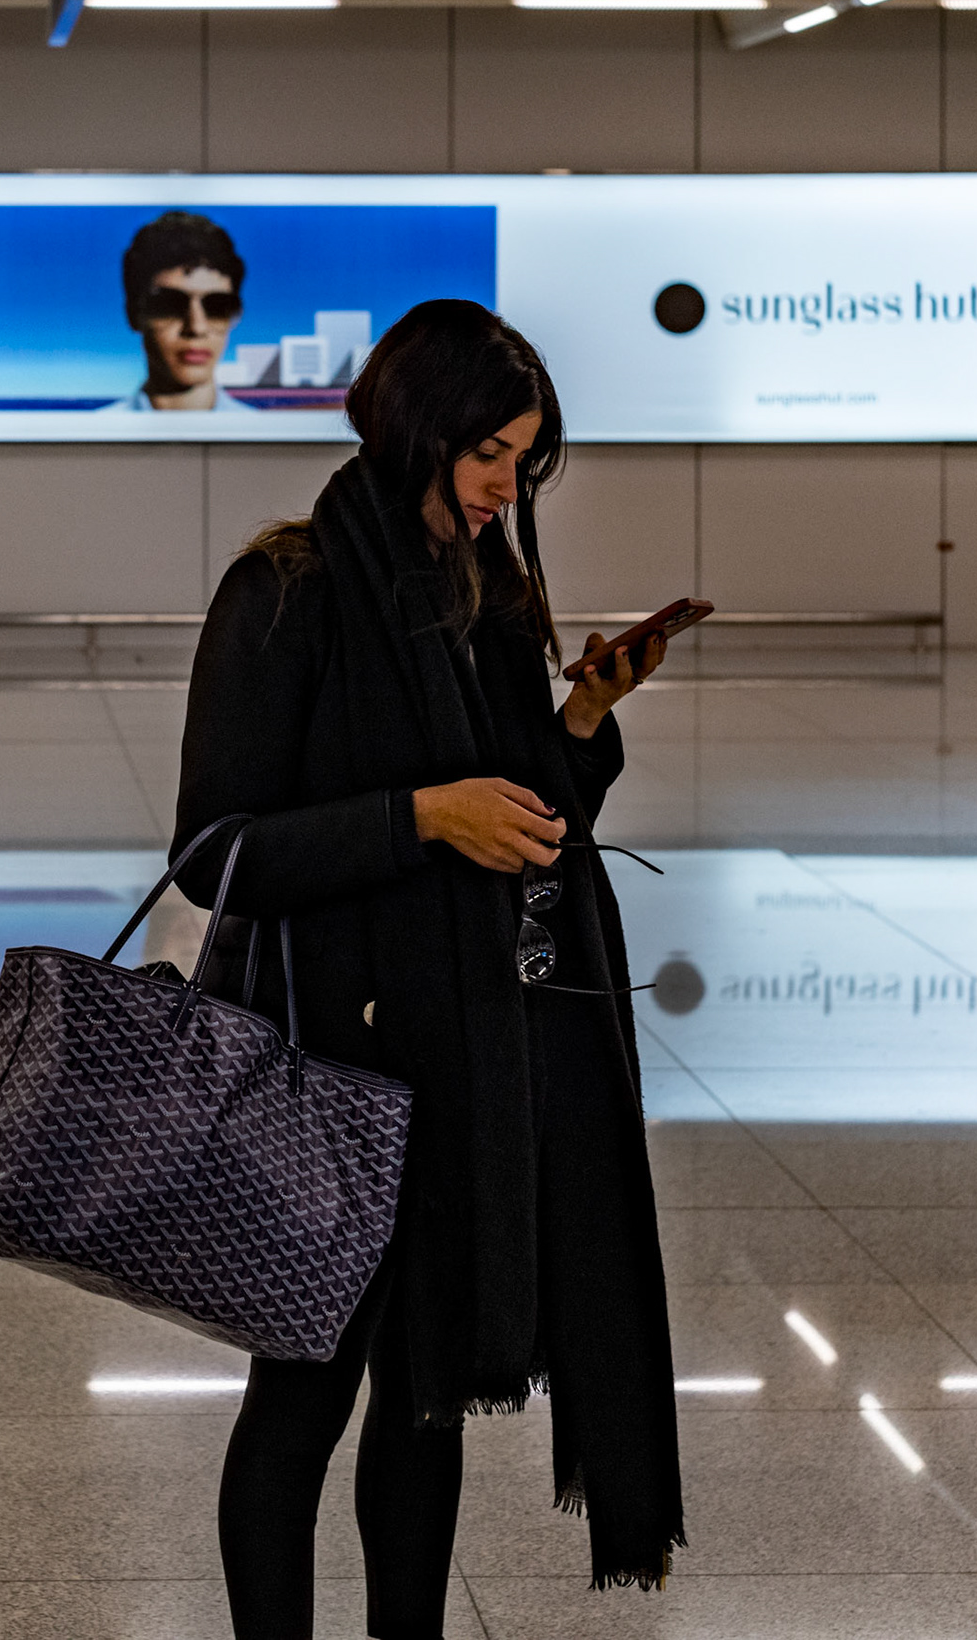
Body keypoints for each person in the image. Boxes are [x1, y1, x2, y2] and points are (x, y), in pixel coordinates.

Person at [170, 299, 685, 1639]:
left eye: (524, 459)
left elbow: (529, 822)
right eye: (490, 453)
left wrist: (579, 718)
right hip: (323, 1071)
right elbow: (215, 850)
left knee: (426, 1398)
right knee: (302, 1401)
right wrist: (419, 816)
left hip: (466, 1066)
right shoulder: (287, 590)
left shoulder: (486, 601)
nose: (508, 486)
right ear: (417, 427)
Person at [103, 210, 261, 412]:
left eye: (217, 307)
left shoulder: (266, 436)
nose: (197, 327)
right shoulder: (90, 436)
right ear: (133, 314)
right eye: (169, 305)